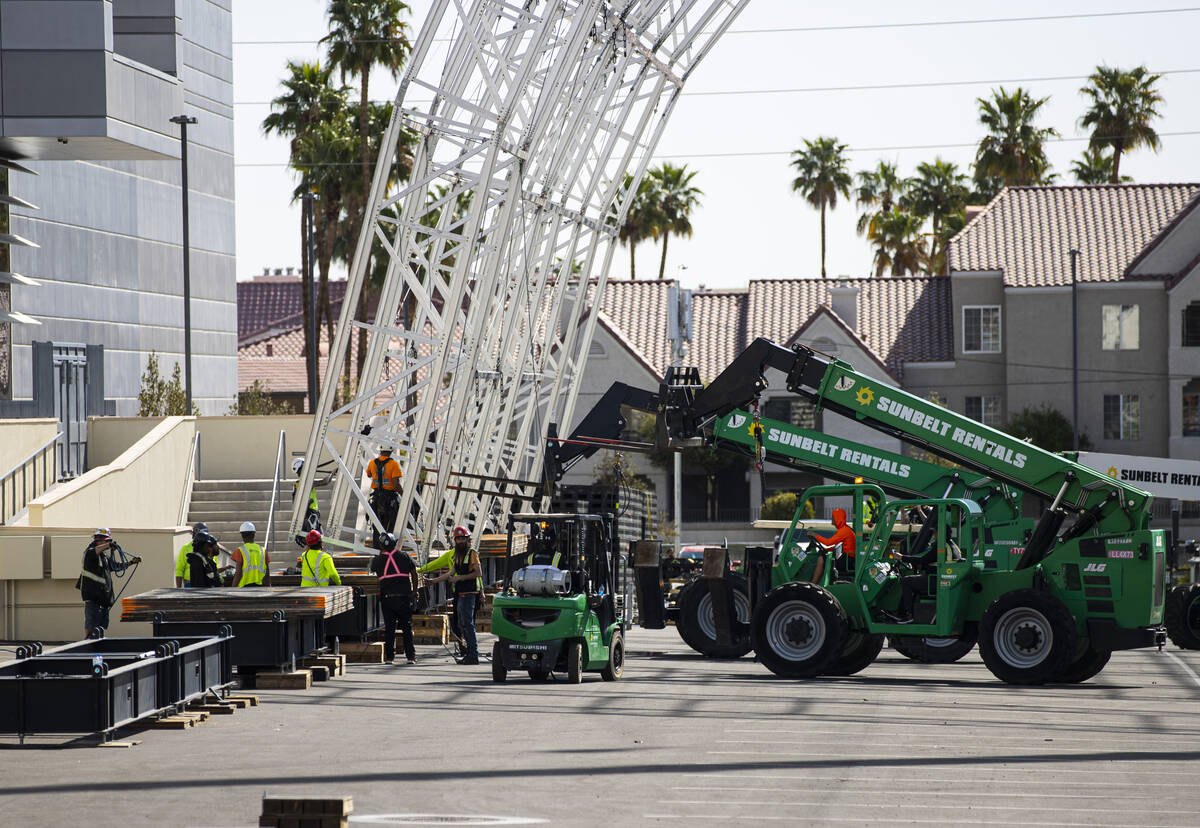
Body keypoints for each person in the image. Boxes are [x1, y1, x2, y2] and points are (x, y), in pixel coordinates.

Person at [429, 525, 482, 664]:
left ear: (467, 539)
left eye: (462, 538)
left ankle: (473, 655)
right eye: (458, 539)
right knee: (461, 623)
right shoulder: (457, 555)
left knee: (468, 624)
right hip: (460, 593)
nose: (460, 541)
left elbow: (478, 573)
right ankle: (468, 652)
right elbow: (450, 573)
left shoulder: (472, 553)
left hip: (469, 594)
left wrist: (459, 578)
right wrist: (433, 581)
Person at [77, 528, 140, 637]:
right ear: (100, 540)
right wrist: (108, 546)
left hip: (103, 597)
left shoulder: (103, 556)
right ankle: (88, 643)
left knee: (100, 626)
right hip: (93, 597)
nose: (107, 543)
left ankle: (97, 643)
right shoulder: (90, 552)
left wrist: (130, 563)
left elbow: (115, 566)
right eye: (106, 541)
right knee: (91, 623)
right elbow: (94, 551)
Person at [370, 532, 418, 664]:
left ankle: (390, 657)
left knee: (390, 628)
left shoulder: (378, 561)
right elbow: (414, 574)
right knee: (407, 628)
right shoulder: (404, 556)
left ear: (381, 545)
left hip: (387, 599)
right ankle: (410, 657)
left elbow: (373, 572)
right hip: (404, 598)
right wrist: (415, 591)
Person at [366, 446, 402, 548]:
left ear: (381, 451)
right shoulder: (394, 464)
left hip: (376, 498)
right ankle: (389, 548)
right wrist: (404, 496)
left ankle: (377, 550)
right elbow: (396, 484)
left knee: (377, 526)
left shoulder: (372, 463)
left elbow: (369, 474)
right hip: (389, 499)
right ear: (391, 451)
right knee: (390, 526)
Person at [292, 457, 333, 546]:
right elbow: (325, 481)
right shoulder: (304, 483)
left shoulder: (299, 483)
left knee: (318, 540)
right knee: (316, 541)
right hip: (310, 515)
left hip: (310, 515)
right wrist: (332, 473)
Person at [813, 507, 856, 578]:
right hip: (847, 558)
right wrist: (828, 549)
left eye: (833, 517)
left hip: (847, 560)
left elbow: (828, 542)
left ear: (838, 518)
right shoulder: (844, 529)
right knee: (824, 557)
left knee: (821, 559)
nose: (831, 519)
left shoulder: (844, 531)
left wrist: (815, 535)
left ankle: (814, 582)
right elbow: (838, 545)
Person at [232, 521, 270, 587]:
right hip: (260, 588)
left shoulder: (239, 550)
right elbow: (267, 572)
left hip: (243, 589)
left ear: (242, 535)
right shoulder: (263, 550)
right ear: (254, 534)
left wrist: (233, 587)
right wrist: (269, 586)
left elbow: (238, 573)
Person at [174, 522, 208, 587]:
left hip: (206, 582)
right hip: (189, 583)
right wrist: (178, 588)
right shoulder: (186, 548)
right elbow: (179, 569)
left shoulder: (209, 548)